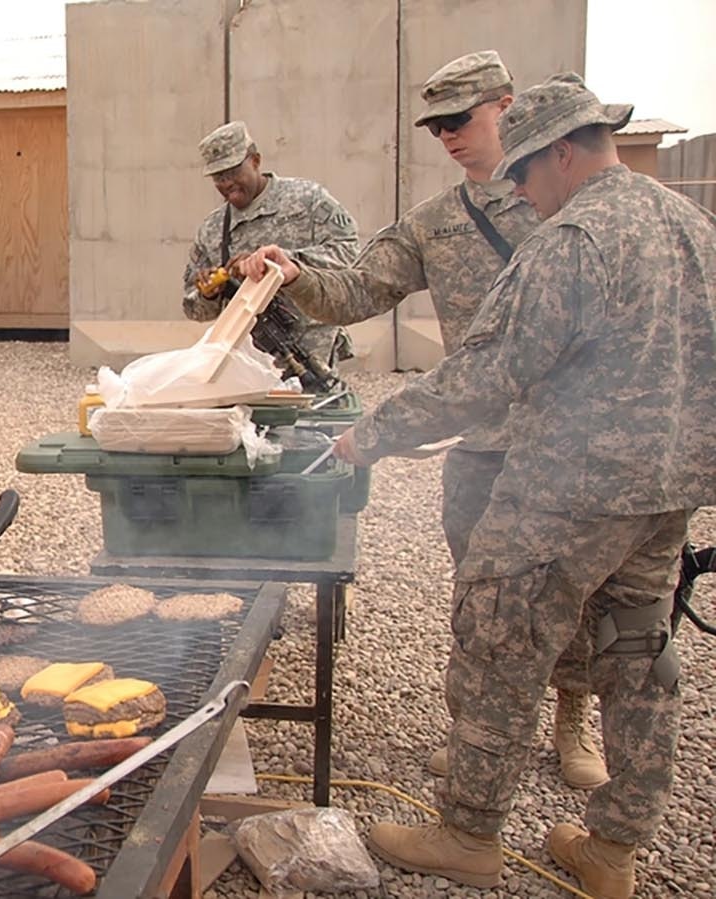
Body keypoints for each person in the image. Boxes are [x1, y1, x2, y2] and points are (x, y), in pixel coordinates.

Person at [324, 74, 716, 897]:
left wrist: (375, 436)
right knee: (640, 655)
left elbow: (487, 374)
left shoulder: (573, 240)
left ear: (561, 156)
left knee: (502, 635)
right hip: (667, 493)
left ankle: (468, 829)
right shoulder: (692, 224)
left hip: (570, 487)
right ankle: (612, 851)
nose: (524, 198)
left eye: (526, 180)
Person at [238, 51, 606, 790]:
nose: (447, 137)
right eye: (436, 127)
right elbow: (358, 289)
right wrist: (295, 271)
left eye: (459, 120)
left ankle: (575, 722)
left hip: (575, 441)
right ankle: (484, 737)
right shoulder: (437, 223)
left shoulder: (579, 201)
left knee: (581, 588)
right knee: (480, 596)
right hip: (484, 441)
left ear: (506, 106)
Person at [181, 120, 359, 377]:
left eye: (233, 172)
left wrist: (284, 263)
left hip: (312, 355)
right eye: (219, 177)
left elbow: (349, 253)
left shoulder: (307, 200)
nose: (227, 182)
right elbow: (192, 309)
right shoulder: (212, 229)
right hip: (248, 365)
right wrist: (210, 293)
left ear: (255, 160)